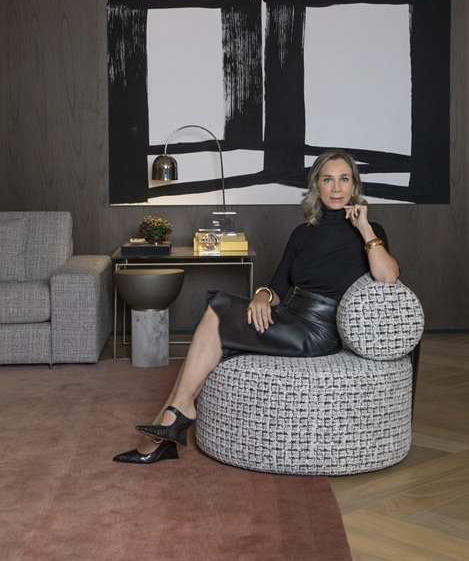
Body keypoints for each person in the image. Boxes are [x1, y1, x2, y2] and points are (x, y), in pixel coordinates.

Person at [113, 149, 399, 464]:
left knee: (217, 311)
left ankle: (171, 421)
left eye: (344, 179)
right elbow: (277, 288)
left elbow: (388, 276)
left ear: (354, 185)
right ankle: (169, 424)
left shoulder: (371, 232)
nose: (336, 188)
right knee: (216, 316)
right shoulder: (302, 234)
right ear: (316, 187)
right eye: (328, 180)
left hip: (320, 331)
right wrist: (262, 296)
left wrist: (364, 227)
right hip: (291, 315)